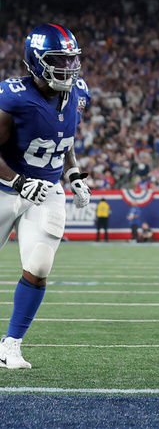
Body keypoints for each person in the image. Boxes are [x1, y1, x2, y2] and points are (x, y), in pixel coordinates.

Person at [0, 24, 91, 369]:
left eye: (71, 61)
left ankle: (10, 344)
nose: (69, 69)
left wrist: (74, 175)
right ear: (36, 62)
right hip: (5, 186)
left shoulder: (80, 94)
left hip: (47, 189)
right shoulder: (12, 97)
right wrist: (19, 182)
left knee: (39, 264)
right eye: (59, 61)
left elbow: (63, 142)